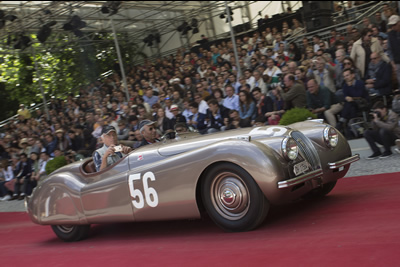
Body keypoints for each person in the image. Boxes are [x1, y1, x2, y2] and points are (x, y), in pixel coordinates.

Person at [387, 15, 400, 87]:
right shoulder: (390, 34)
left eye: (394, 24)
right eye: (391, 25)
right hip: (397, 62)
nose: (393, 27)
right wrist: (392, 63)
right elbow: (389, 49)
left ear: (399, 23)